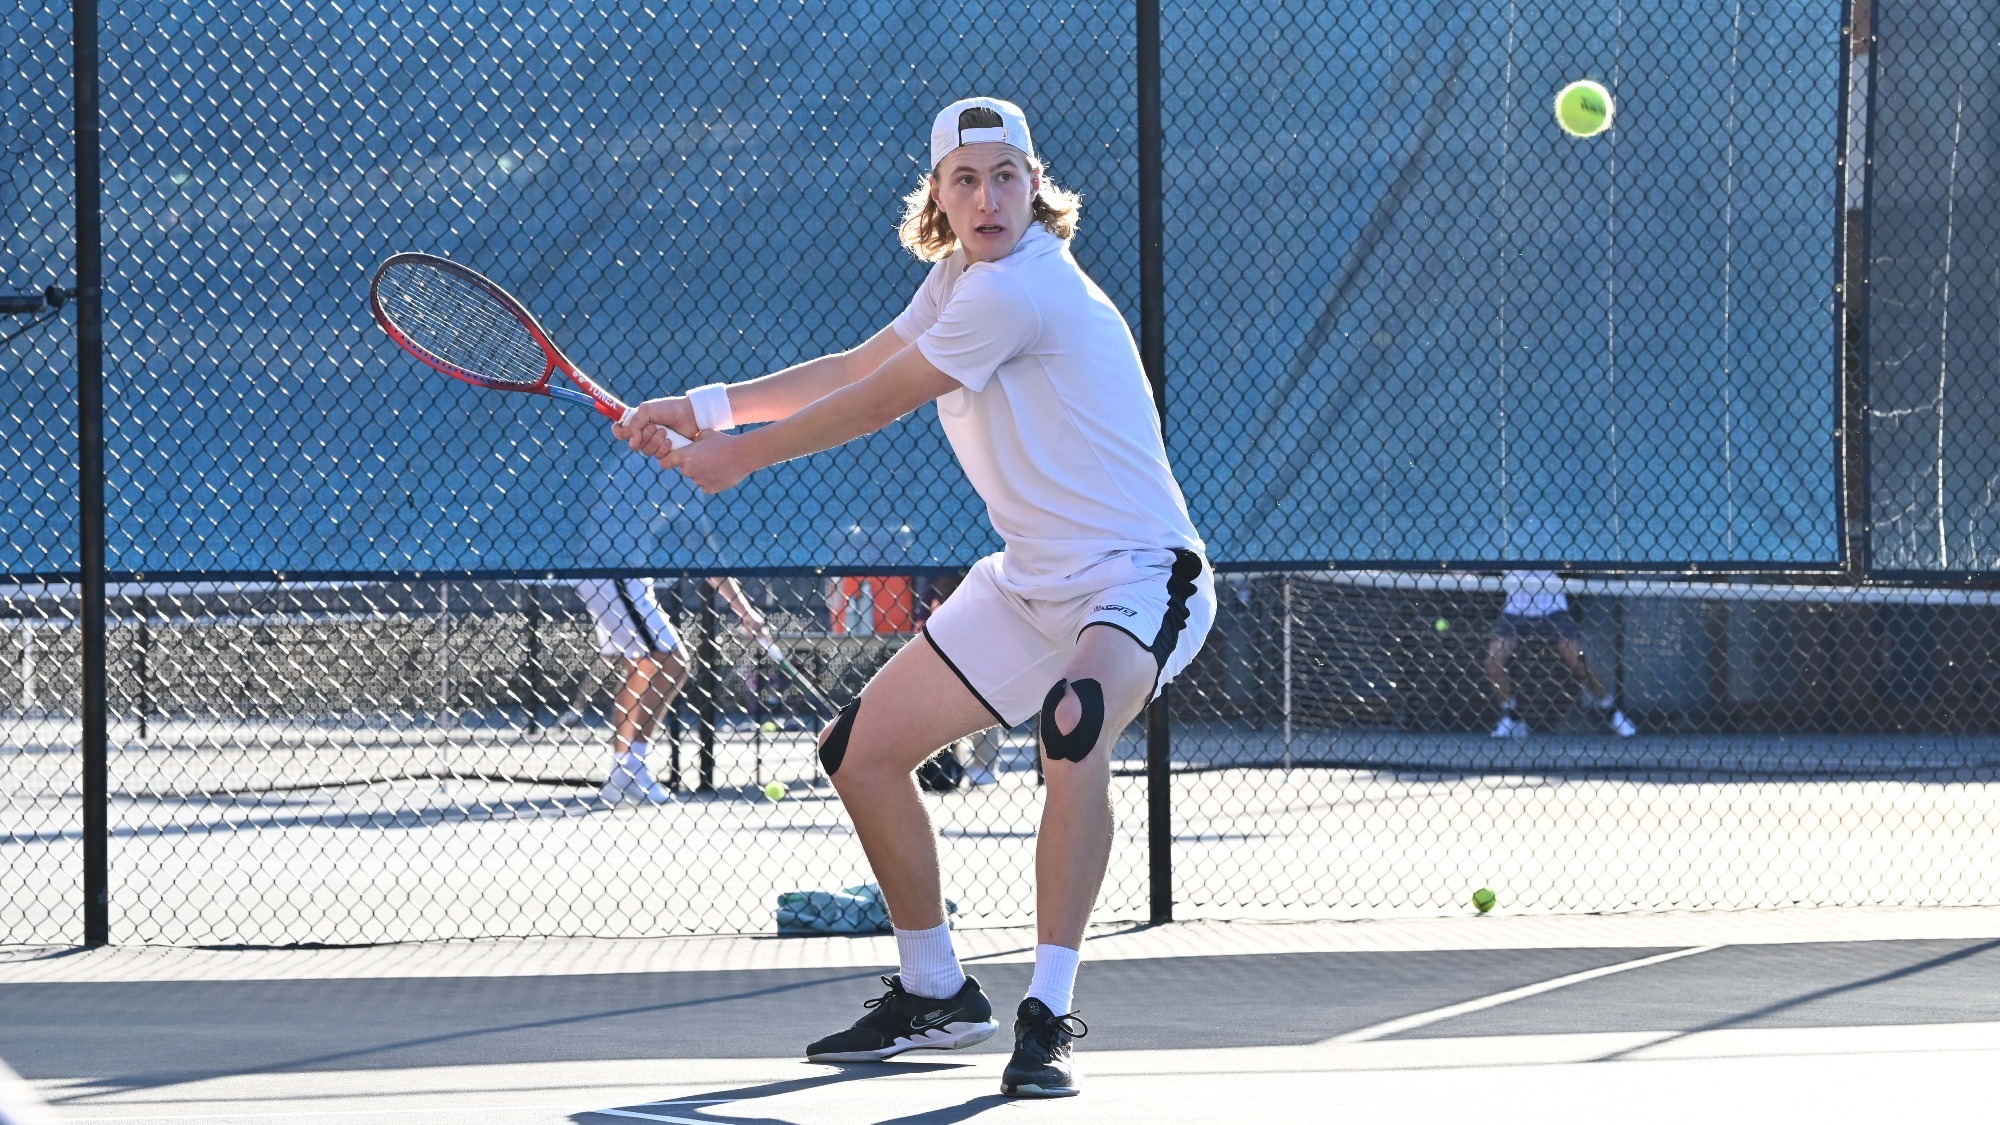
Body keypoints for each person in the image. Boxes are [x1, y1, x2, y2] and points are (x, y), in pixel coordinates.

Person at [615, 96, 1213, 1099]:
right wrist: (701, 408)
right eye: (965, 178)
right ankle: (934, 988)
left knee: (1073, 727)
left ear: (1035, 186)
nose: (987, 197)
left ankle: (1046, 1009)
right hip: (1027, 586)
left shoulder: (1021, 289)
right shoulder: (955, 279)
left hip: (1139, 577)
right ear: (937, 193)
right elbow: (857, 365)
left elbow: (880, 400)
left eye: (1006, 176)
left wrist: (739, 456)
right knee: (859, 751)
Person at [575, 575, 782, 803]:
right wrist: (745, 612)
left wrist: (745, 612)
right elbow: (709, 560)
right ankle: (632, 767)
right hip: (618, 579)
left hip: (613, 579)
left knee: (640, 664)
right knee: (675, 662)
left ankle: (621, 773)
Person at [1485, 569, 1637, 739]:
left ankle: (1610, 711)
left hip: (1553, 607)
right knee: (1493, 662)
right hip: (1515, 608)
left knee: (1579, 663)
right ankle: (1512, 717)